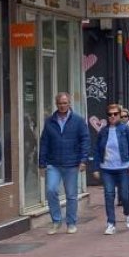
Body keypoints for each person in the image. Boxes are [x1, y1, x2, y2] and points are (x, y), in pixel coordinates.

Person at [38, 92, 90, 235]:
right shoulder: (50, 121)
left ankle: (71, 223)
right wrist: (41, 163)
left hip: (71, 163)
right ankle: (56, 220)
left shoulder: (78, 121)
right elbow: (44, 143)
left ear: (69, 103)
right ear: (56, 104)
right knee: (51, 190)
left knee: (71, 195)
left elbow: (85, 140)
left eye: (65, 103)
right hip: (53, 163)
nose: (62, 106)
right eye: (60, 103)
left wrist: (83, 160)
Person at [95, 103, 129, 235]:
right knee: (109, 195)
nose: (112, 116)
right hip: (107, 168)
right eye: (110, 114)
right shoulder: (103, 131)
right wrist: (96, 168)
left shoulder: (125, 130)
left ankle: (127, 213)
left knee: (125, 195)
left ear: (120, 115)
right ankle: (111, 223)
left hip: (123, 168)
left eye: (115, 114)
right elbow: (97, 150)